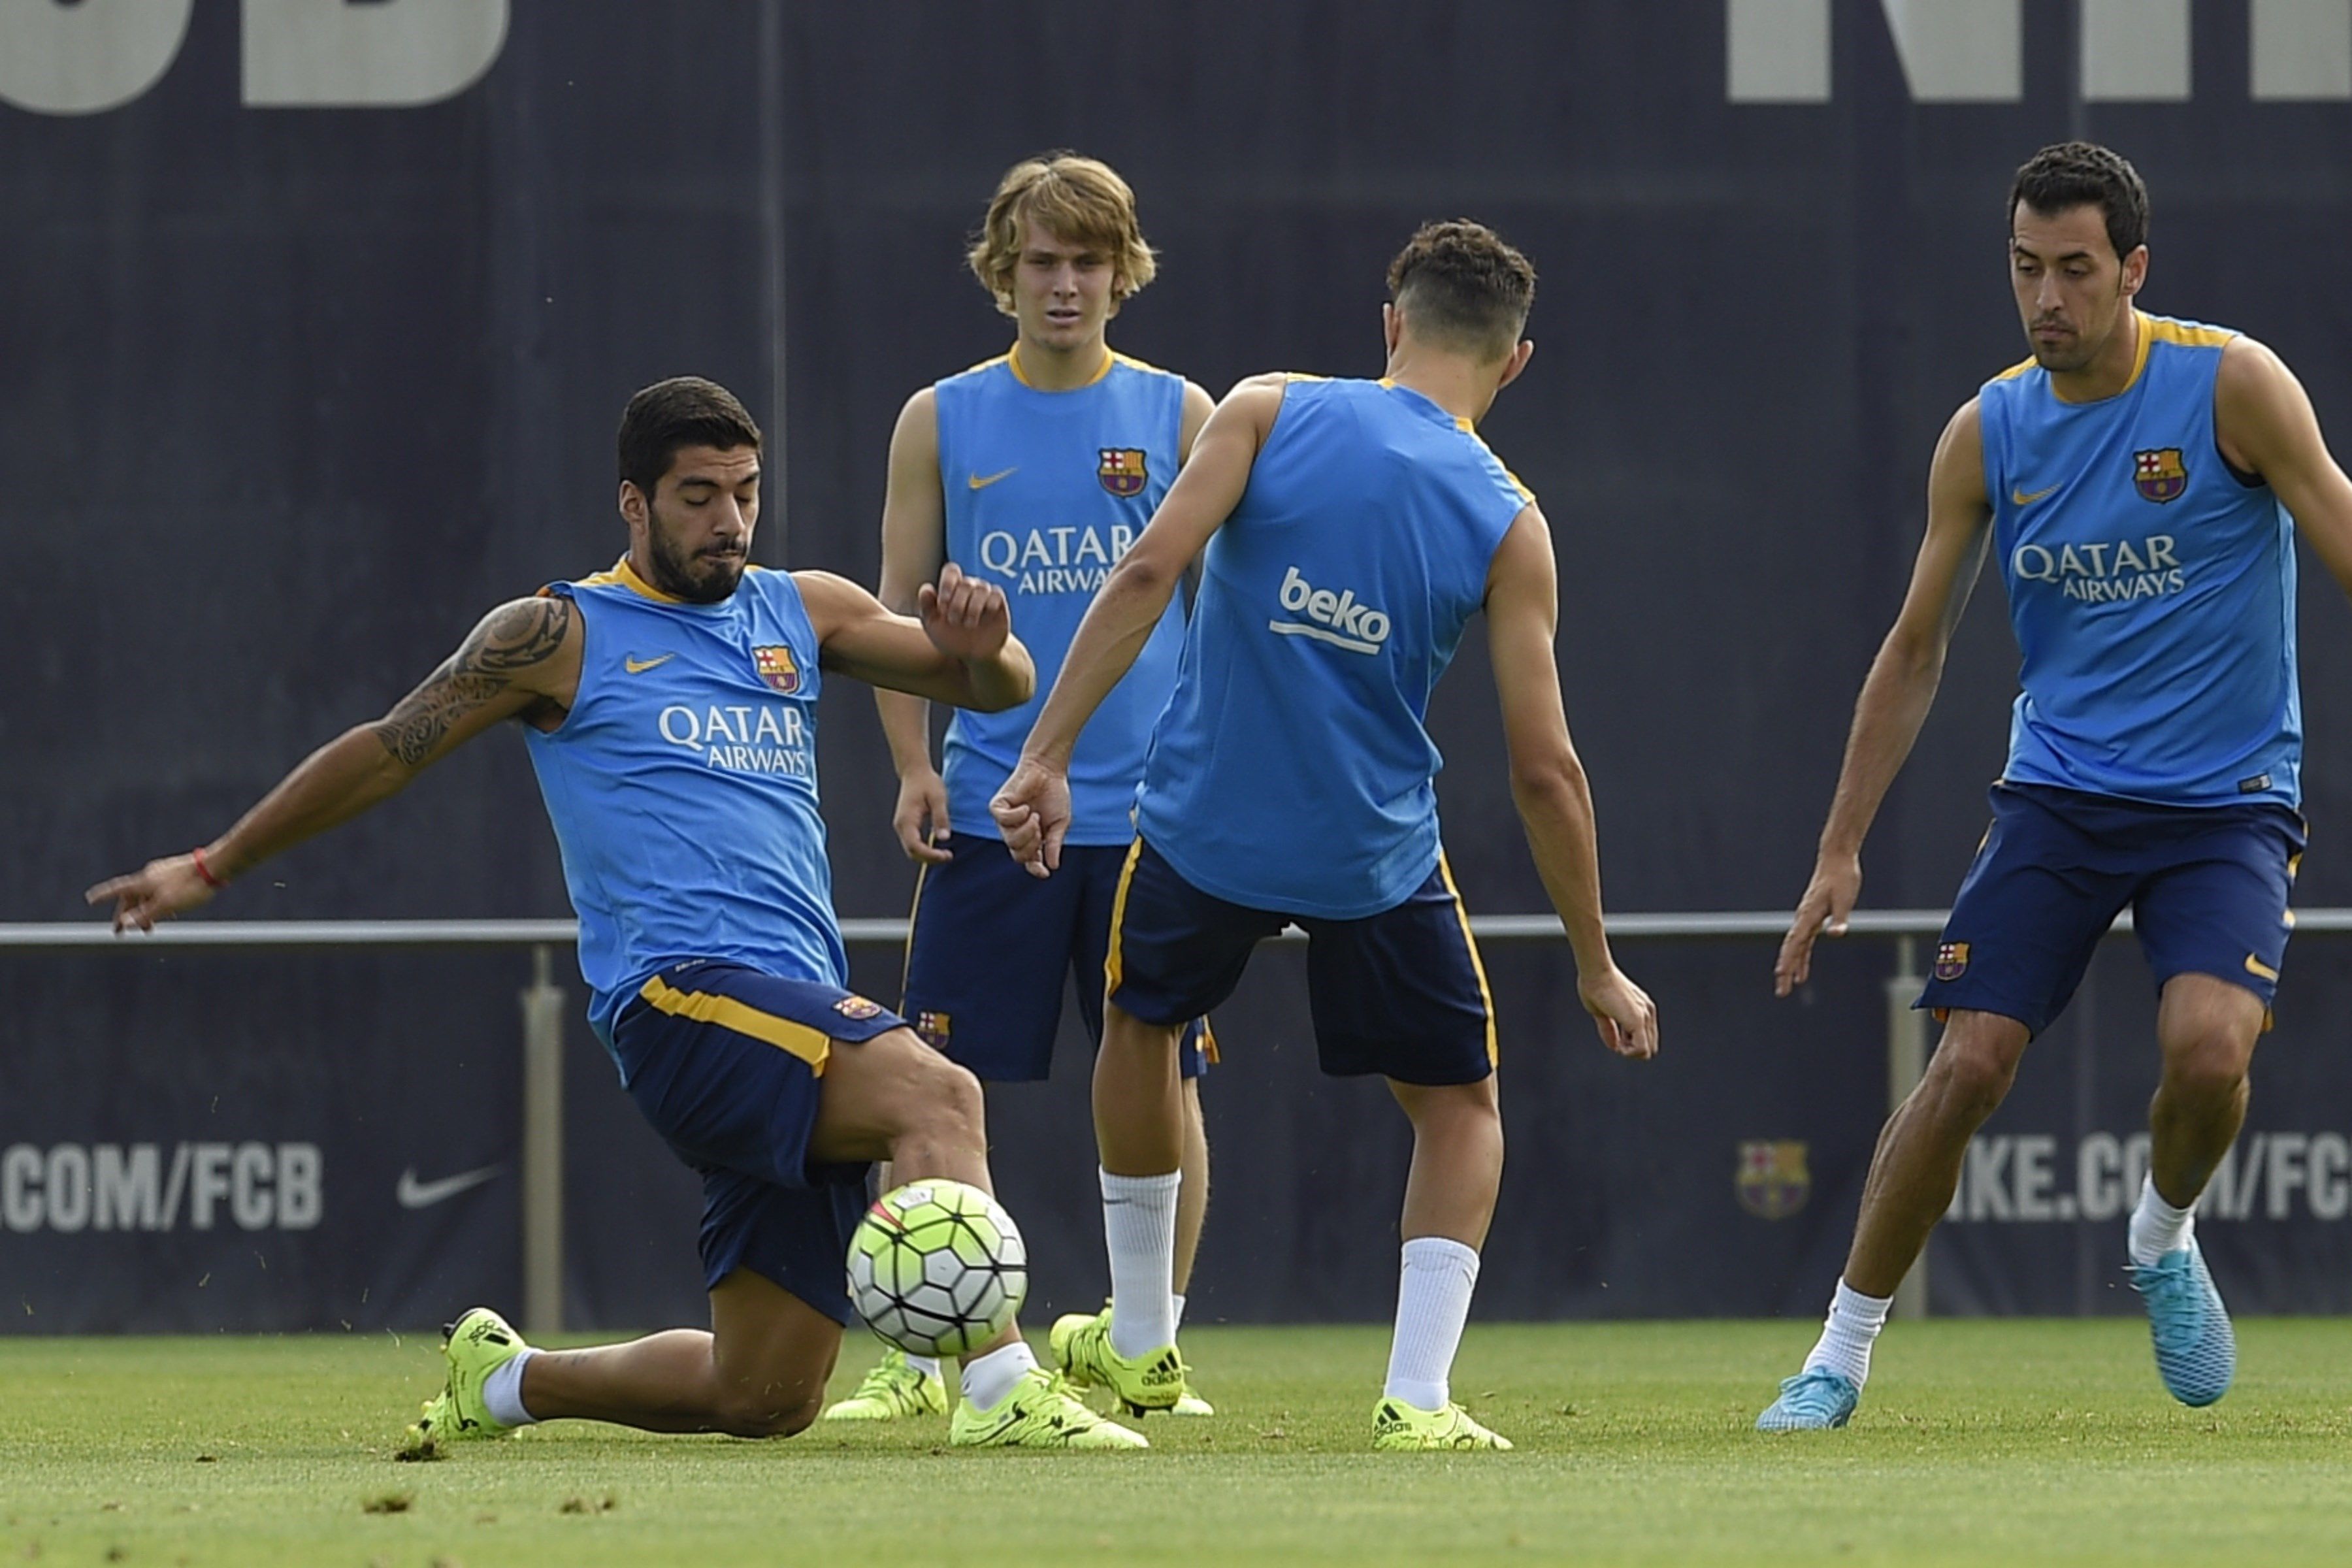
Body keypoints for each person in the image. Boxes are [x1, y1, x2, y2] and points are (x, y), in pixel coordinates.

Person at [86, 376, 1149, 1452]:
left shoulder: (803, 608)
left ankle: (507, 1379)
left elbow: (1000, 690)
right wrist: (213, 867)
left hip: (795, 1016)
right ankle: (1004, 1385)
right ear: (633, 504)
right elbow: (386, 750)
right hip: (680, 997)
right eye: (697, 496)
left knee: (765, 1397)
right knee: (938, 1092)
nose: (729, 520)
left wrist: (986, 641)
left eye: (745, 492)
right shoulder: (558, 633)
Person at [990, 220, 1660, 1451]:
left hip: (1202, 831)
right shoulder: (1513, 522)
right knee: (1461, 1109)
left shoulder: (1267, 407)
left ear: (1391, 322)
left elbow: (1145, 576)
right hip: (1371, 855)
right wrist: (1596, 962)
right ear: (1515, 365)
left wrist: (1045, 757)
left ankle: (1140, 1340)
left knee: (1142, 1022)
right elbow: (1546, 770)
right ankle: (1417, 1398)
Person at [1761, 142, 2352, 1430]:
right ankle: (1838, 1357)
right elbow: (1915, 653)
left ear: (2133, 269)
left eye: (2076, 271)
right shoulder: (1988, 432)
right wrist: (1839, 851)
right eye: (2027, 269)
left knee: (2206, 1054)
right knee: (1966, 1063)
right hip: (2062, 798)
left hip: (2228, 800)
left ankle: (2160, 1235)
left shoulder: (2233, 387)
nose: (2048, 299)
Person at [825, 153, 1221, 1425]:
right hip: (991, 808)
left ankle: (1151, 1342)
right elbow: (892, 614)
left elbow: (1223, 622)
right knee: (926, 1084)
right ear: (1005, 271)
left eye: (1088, 260)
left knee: (1165, 1079)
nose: (1066, 284)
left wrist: (1210, 788)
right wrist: (909, 769)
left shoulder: (1180, 415)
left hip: (1151, 825)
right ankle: (913, 1354)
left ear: (1123, 270)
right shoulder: (940, 417)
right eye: (1043, 260)